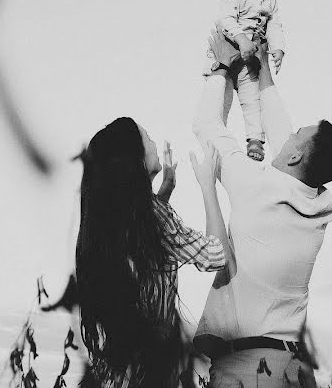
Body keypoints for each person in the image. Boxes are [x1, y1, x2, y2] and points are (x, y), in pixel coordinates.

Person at [192, 32, 332, 388]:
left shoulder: (257, 186)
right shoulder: (319, 204)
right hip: (294, 367)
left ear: (295, 155)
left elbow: (206, 126)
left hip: (250, 368)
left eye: (297, 134)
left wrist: (220, 68)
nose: (289, 133)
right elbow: (283, 133)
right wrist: (262, 68)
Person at [74, 117, 231, 388]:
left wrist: (164, 190)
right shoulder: (153, 214)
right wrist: (208, 186)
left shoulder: (112, 219)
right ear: (134, 159)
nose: (155, 142)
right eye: (147, 137)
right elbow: (217, 256)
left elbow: (147, 245)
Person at [204, 0, 287, 162]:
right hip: (227, 53)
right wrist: (241, 39)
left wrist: (278, 49)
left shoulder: (271, 0)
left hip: (249, 63)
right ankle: (214, 140)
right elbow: (224, 19)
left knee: (253, 101)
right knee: (222, 99)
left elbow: (275, 26)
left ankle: (255, 141)